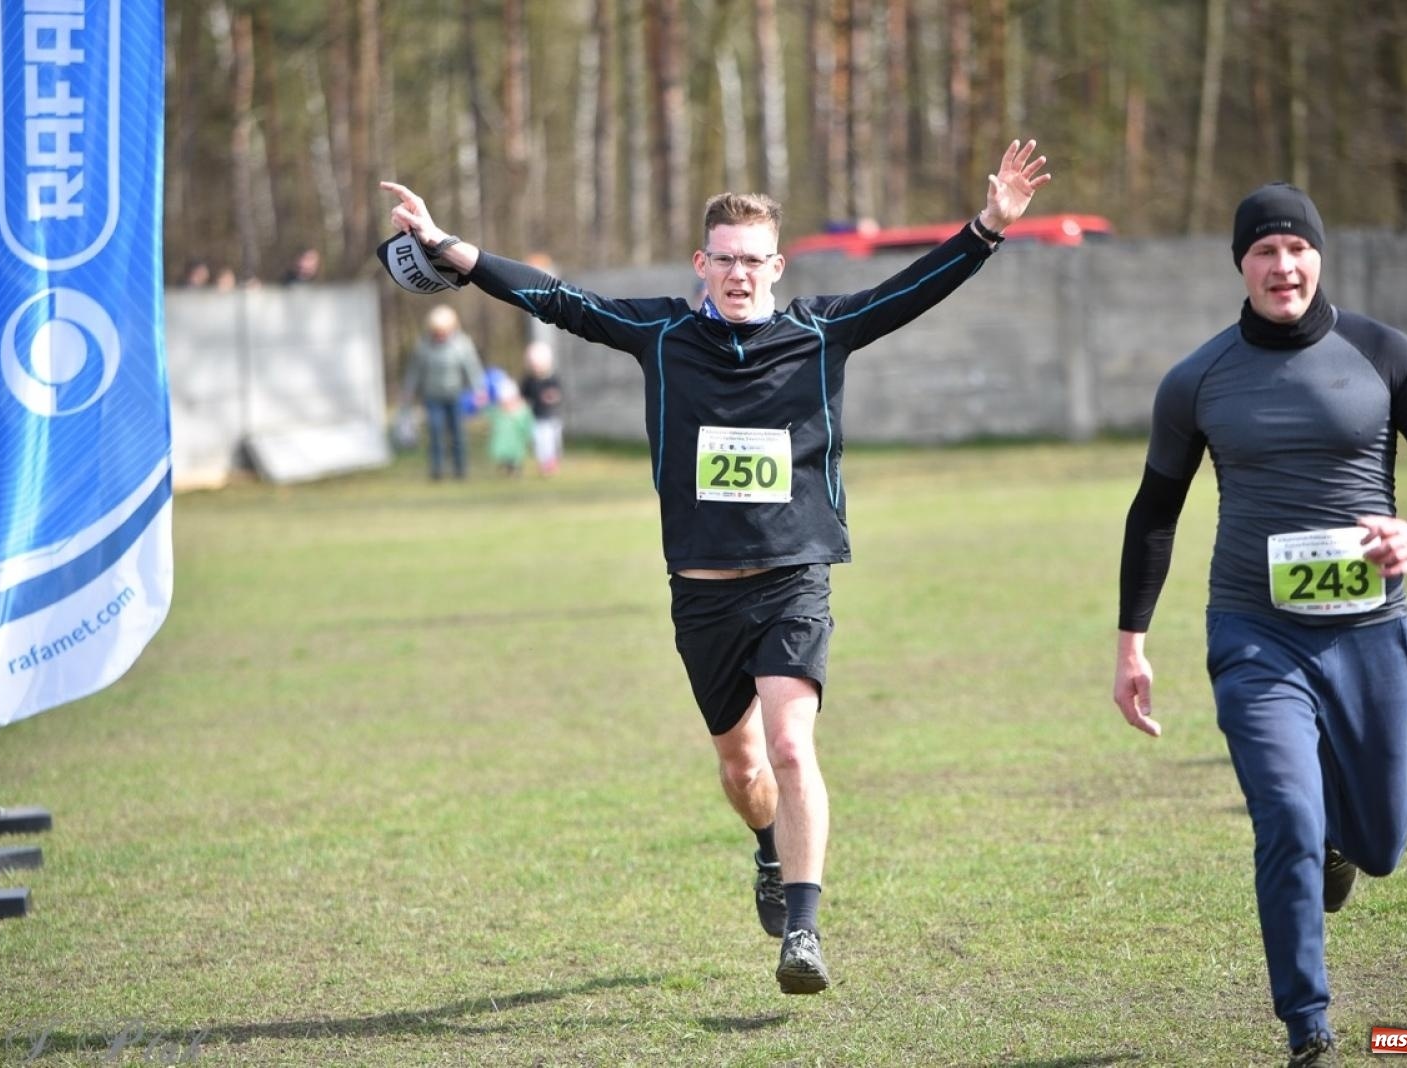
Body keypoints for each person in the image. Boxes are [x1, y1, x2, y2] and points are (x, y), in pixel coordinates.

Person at [379, 137, 1050, 996]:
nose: (739, 275)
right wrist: (452, 250)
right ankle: (769, 851)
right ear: (703, 263)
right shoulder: (661, 335)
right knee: (743, 769)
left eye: (755, 261)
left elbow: (906, 292)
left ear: (779, 264)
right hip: (701, 595)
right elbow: (557, 299)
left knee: (790, 744)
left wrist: (989, 225)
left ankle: (804, 933)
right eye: (725, 260)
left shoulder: (818, 334)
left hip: (793, 577)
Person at [1110, 182, 1407, 1067]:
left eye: (1297, 250)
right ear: (1240, 266)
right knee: (1283, 812)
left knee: (1383, 843)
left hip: (1369, 635)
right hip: (1254, 632)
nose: (1283, 266)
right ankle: (1307, 1027)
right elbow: (1153, 514)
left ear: (1320, 256)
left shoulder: (1382, 353)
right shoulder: (1197, 379)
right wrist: (1131, 644)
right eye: (1264, 253)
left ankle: (1342, 848)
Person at [400, 304, 487, 481]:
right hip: (432, 396)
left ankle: (460, 470)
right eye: (437, 331)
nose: (440, 335)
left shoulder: (462, 344)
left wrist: (479, 389)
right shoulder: (423, 346)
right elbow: (414, 372)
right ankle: (437, 471)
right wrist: (408, 391)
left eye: (443, 331)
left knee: (457, 434)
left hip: (455, 395)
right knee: (436, 432)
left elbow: (471, 368)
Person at [519, 340, 563, 476]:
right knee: (539, 443)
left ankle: (551, 464)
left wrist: (552, 397)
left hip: (551, 417)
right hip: (536, 417)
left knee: (550, 441)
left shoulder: (551, 379)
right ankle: (544, 464)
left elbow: (557, 394)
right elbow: (523, 396)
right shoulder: (529, 380)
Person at [486, 374, 536, 476]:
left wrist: (528, 435)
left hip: (516, 441)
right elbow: (489, 413)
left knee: (516, 455)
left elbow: (527, 424)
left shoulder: (522, 412)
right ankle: (507, 466)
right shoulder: (498, 412)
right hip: (503, 440)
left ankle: (515, 467)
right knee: (504, 454)